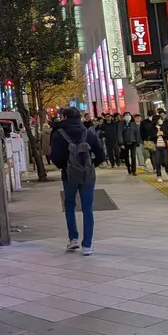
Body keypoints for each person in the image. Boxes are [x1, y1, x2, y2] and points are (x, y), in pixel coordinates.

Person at [51, 106, 106, 255]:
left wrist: (65, 167)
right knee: (87, 208)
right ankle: (87, 245)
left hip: (69, 176)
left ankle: (73, 239)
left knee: (69, 205)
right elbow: (101, 154)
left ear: (64, 117)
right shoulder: (88, 133)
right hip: (87, 176)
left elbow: (54, 156)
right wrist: (90, 165)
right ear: (79, 117)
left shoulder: (59, 133)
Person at [151, 113, 168, 182]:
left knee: (166, 161)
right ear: (156, 120)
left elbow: (167, 135)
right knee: (158, 161)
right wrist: (156, 135)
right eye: (159, 119)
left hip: (164, 146)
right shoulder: (152, 128)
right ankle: (159, 176)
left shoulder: (164, 126)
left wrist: (163, 134)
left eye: (161, 119)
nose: (161, 120)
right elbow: (150, 137)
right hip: (157, 147)